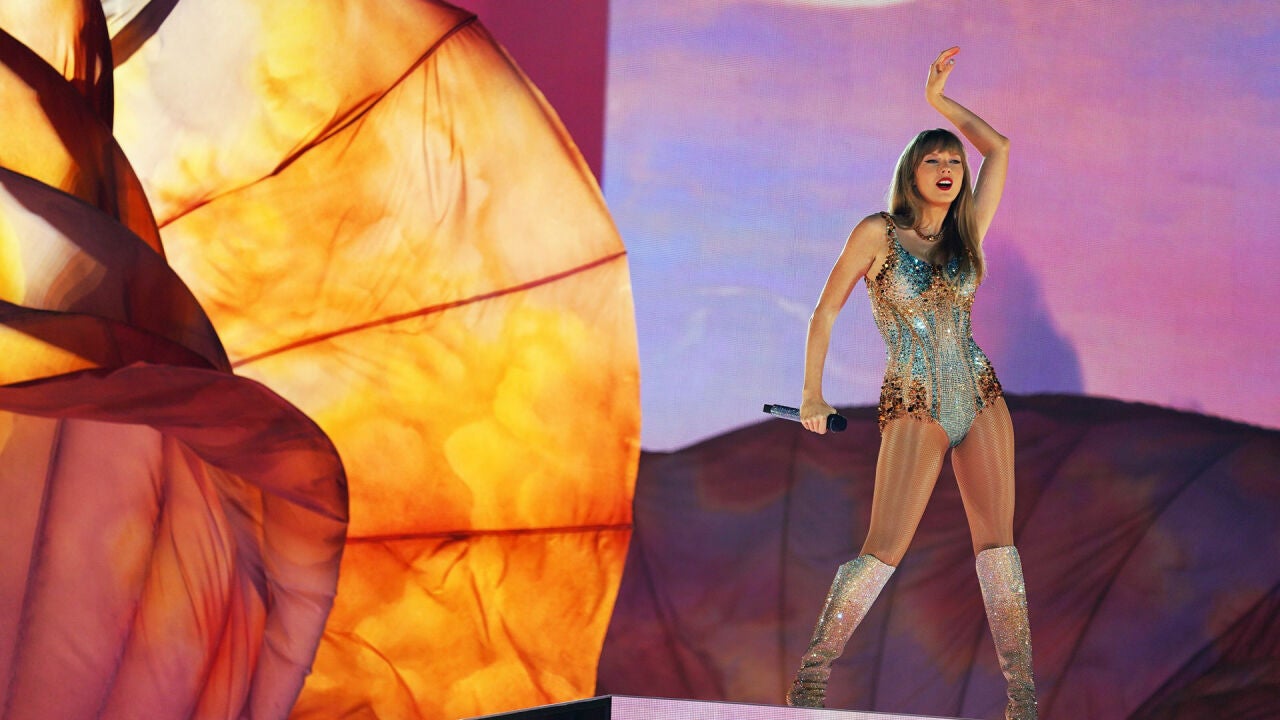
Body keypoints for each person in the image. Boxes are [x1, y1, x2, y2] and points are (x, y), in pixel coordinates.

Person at [786, 47, 1036, 719]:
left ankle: (1022, 700)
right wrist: (811, 394)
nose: (949, 168)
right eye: (934, 159)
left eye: (954, 160)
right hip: (915, 404)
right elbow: (824, 312)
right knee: (885, 547)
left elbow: (1000, 148)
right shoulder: (878, 233)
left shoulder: (967, 233)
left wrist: (939, 103)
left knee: (999, 548)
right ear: (910, 172)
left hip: (979, 396)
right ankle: (811, 679)